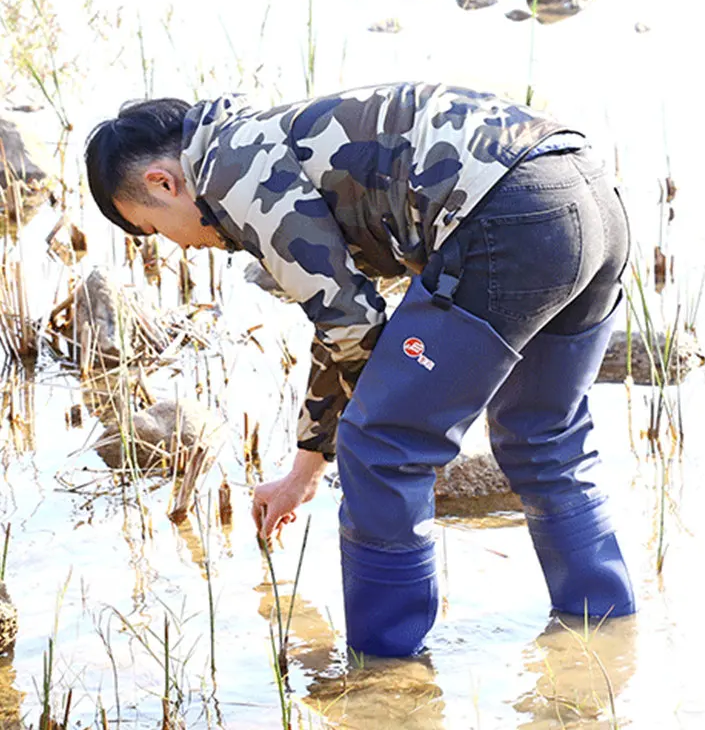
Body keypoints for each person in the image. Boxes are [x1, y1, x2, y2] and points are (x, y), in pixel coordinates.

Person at [84, 83, 636, 657]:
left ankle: (385, 674)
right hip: (589, 192)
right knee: (543, 435)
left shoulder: (232, 172)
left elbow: (351, 327)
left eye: (153, 230)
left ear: (162, 183)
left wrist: (344, 440)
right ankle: (606, 643)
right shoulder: (259, 137)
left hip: (509, 212)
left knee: (382, 450)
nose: (177, 247)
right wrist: (304, 471)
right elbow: (346, 325)